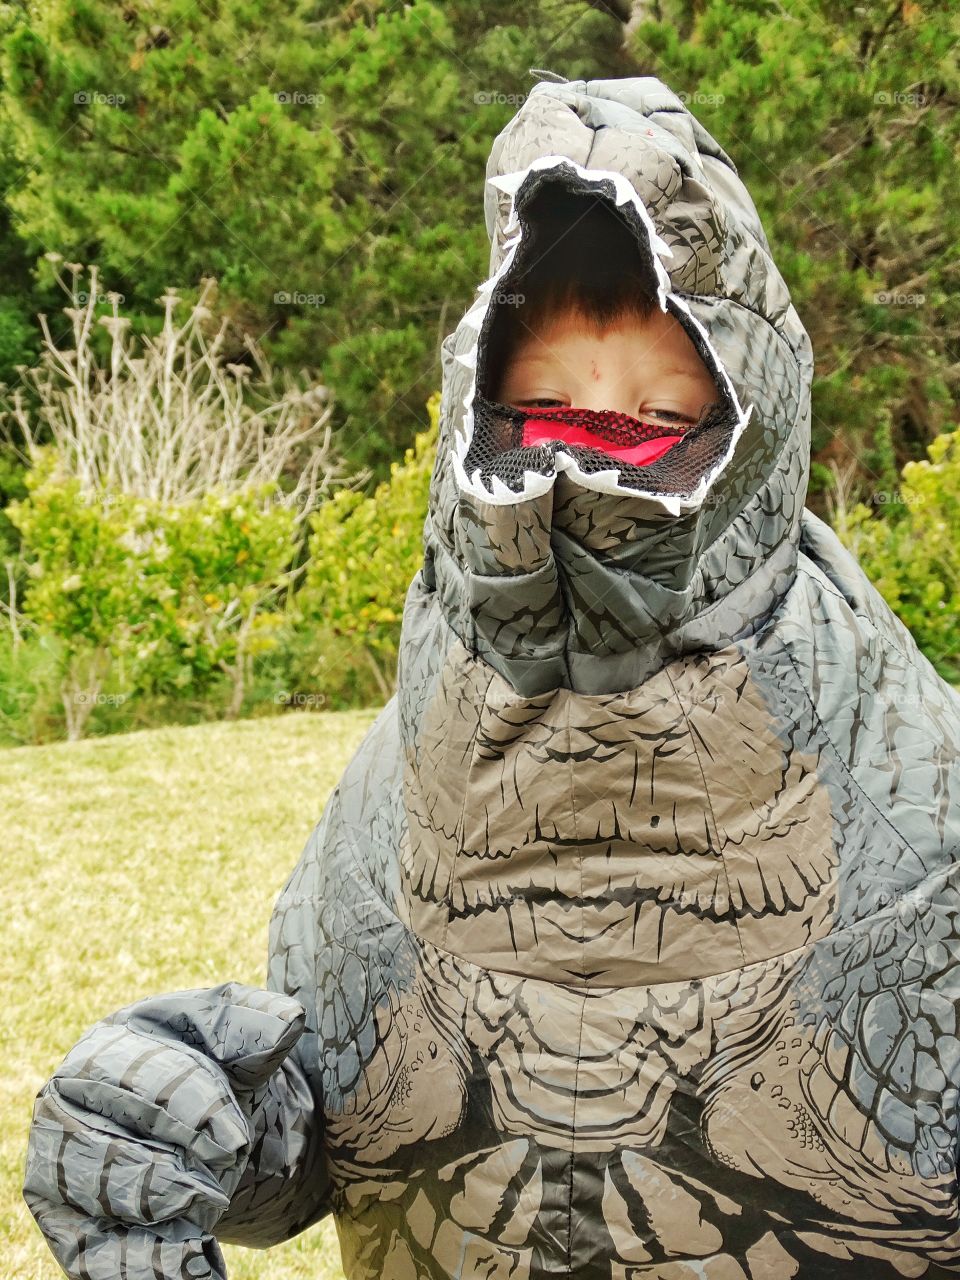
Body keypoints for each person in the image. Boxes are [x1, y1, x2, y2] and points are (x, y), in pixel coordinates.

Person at [23, 74, 960, 1280]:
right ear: (479, 402)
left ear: (751, 408)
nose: (594, 435)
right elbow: (345, 1138)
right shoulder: (392, 802)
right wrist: (176, 1125)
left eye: (652, 400)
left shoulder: (923, 792)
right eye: (549, 397)